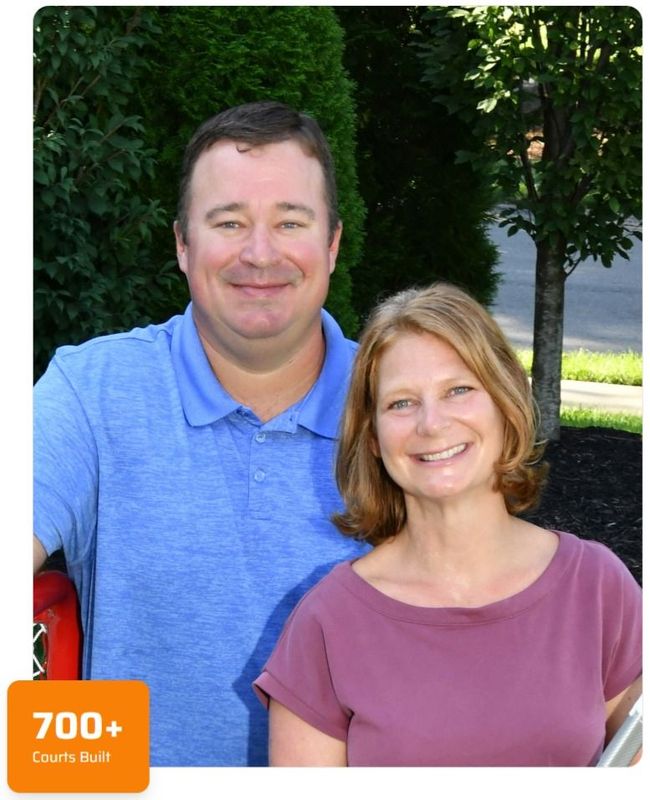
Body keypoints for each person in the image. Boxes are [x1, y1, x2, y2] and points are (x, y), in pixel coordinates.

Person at [33, 100, 369, 766]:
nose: (260, 252)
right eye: (229, 222)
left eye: (290, 222)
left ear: (332, 243)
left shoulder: (402, 405)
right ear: (183, 245)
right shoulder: (92, 388)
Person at [253, 282, 642, 767]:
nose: (431, 424)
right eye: (401, 403)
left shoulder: (598, 588)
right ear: (372, 437)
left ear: (505, 403)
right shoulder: (327, 624)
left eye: (458, 390)